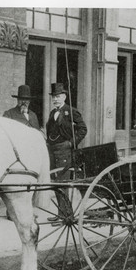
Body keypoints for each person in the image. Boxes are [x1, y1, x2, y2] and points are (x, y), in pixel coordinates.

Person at [46, 82, 87, 220]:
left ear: (64, 96)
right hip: (53, 151)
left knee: (63, 183)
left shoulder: (71, 111)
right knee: (56, 183)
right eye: (53, 97)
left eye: (58, 96)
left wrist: (71, 143)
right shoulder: (52, 113)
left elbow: (83, 129)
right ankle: (60, 213)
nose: (55, 99)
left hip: (65, 151)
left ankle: (66, 215)